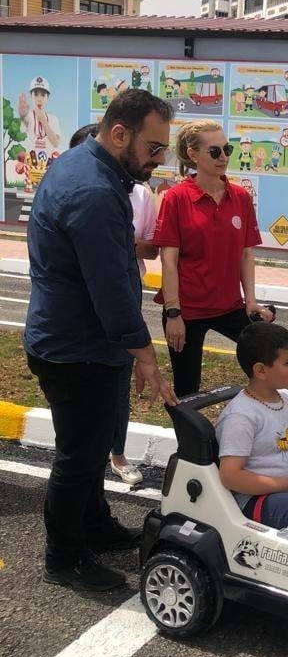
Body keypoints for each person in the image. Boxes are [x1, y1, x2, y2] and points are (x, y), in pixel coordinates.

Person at [25, 89, 177, 592]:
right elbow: (110, 286)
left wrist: (126, 351)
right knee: (79, 453)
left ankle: (93, 524)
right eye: (154, 148)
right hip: (75, 347)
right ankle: (65, 557)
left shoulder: (93, 170)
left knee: (90, 450)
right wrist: (145, 355)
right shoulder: (92, 190)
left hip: (91, 343)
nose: (159, 160)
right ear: (119, 134)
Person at [154, 120, 288, 398]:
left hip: (230, 307)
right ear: (193, 154)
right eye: (215, 151)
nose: (223, 157)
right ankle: (190, 443)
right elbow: (168, 261)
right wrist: (173, 312)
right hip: (187, 311)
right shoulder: (176, 198)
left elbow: (246, 254)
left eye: (227, 149)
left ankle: (284, 422)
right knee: (188, 394)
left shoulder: (241, 197)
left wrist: (251, 302)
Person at [70, 121, 160, 487]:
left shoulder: (138, 193)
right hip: (82, 301)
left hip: (125, 289)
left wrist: (116, 240)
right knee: (86, 383)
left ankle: (116, 454)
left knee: (120, 375)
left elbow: (151, 247)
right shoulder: (80, 189)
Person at [216, 322, 288, 539]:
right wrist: (283, 484)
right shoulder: (241, 417)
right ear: (261, 370)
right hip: (258, 499)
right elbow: (230, 475)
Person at [19, 75, 62, 155]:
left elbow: (56, 143)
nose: (39, 99)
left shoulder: (53, 119)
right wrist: (22, 115)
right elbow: (22, 127)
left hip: (49, 164)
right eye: (35, 94)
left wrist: (44, 121)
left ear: (47, 97)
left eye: (43, 95)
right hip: (31, 165)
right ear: (31, 96)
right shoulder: (28, 116)